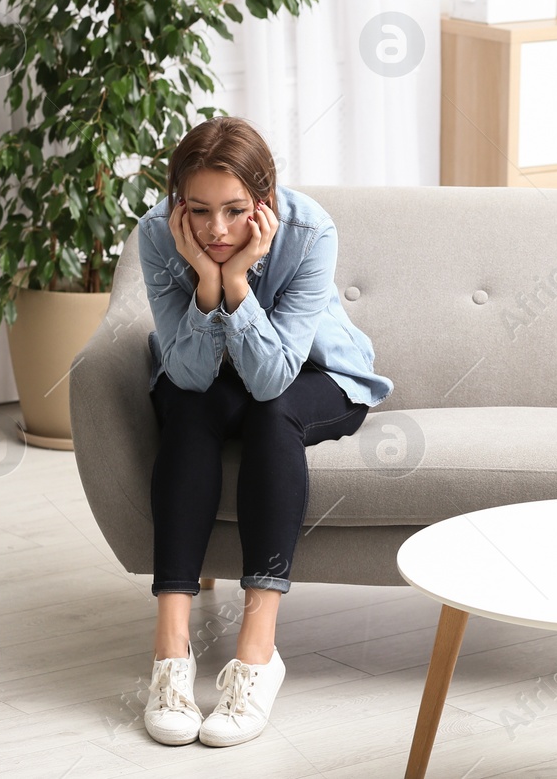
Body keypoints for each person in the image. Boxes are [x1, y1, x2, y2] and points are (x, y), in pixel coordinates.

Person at [136, 117, 392, 748]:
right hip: (214, 381)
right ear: (177, 204)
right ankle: (170, 655)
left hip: (315, 375)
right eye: (198, 211)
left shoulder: (309, 232)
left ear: (265, 202)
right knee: (190, 411)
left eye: (233, 210)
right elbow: (192, 376)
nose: (216, 230)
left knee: (271, 416)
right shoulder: (154, 235)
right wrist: (203, 279)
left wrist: (239, 282)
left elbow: (275, 377)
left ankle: (256, 657)